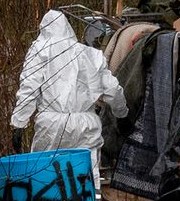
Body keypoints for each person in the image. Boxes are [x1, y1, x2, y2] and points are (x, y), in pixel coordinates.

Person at [10, 10, 126, 180]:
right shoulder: (90, 54)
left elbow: (29, 88)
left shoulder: (40, 51)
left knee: (46, 176)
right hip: (86, 124)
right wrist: (122, 113)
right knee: (86, 176)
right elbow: (112, 89)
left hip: (51, 125)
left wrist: (19, 122)